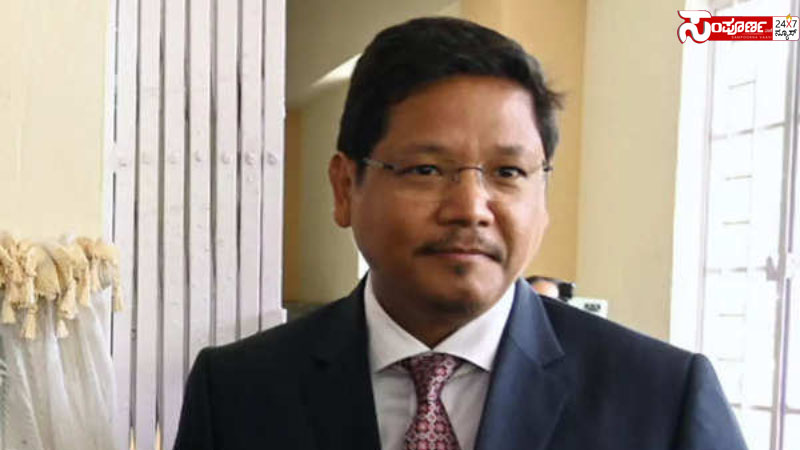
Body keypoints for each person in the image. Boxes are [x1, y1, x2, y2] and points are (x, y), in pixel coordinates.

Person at [173, 17, 747, 450]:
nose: (471, 209)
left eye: (508, 173)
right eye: (426, 169)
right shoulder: (238, 392)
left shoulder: (662, 398)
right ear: (345, 187)